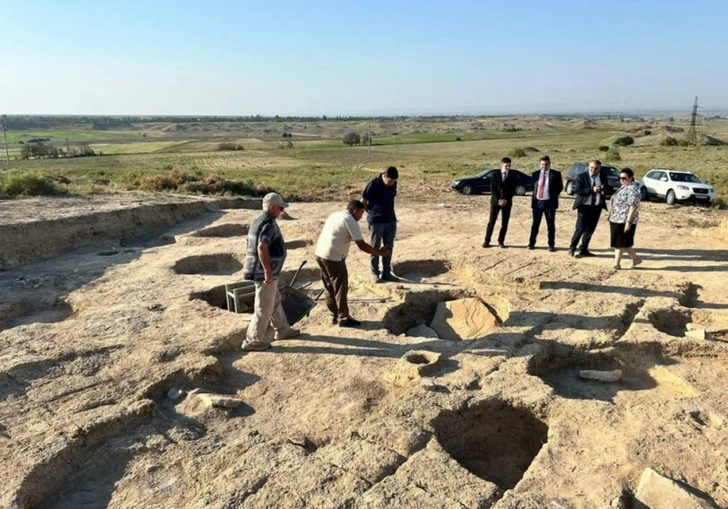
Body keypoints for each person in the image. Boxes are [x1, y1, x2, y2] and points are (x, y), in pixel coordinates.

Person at [315, 200, 391, 327]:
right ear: (355, 210)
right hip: (333, 257)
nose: (361, 216)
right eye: (361, 212)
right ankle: (343, 318)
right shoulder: (350, 221)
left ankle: (333, 315)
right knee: (340, 288)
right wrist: (380, 253)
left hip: (319, 254)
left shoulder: (335, 215)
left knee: (329, 286)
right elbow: (361, 245)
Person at [241, 192, 300, 351]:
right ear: (272, 207)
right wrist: (267, 271)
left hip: (260, 270)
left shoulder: (257, 219)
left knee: (274, 300)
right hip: (264, 273)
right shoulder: (268, 223)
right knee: (263, 307)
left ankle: (283, 330)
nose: (282, 211)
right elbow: (262, 246)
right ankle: (252, 341)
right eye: (280, 208)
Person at [568, 159, 612, 257]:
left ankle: (584, 248)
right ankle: (572, 247)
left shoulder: (603, 176)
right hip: (584, 207)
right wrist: (592, 190)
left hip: (596, 207)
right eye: (591, 167)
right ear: (589, 167)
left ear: (600, 168)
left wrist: (604, 190)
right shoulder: (581, 176)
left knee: (590, 229)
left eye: (596, 168)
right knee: (580, 228)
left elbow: (607, 188)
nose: (593, 170)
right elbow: (578, 191)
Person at [362, 166, 398, 283]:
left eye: (393, 181)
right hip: (376, 222)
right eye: (390, 181)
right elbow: (364, 201)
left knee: (388, 247)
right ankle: (375, 273)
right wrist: (372, 213)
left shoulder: (393, 184)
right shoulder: (373, 183)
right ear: (384, 176)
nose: (391, 183)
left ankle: (387, 273)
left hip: (390, 220)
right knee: (375, 248)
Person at [608, 168, 643, 270]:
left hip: (624, 219)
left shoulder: (633, 188)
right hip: (616, 218)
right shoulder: (624, 187)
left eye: (624, 178)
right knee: (623, 242)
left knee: (619, 243)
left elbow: (633, 206)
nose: (622, 180)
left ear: (631, 177)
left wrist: (628, 222)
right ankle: (636, 259)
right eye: (620, 178)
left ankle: (616, 264)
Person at [529, 155, 563, 251]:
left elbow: (559, 187)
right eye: (542, 164)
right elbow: (533, 186)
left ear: (549, 164)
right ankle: (531, 243)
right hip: (537, 203)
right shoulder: (535, 174)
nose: (544, 166)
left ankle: (551, 245)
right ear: (540, 164)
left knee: (551, 224)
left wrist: (552, 196)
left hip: (549, 203)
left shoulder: (555, 174)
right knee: (535, 224)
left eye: (546, 164)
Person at [483, 157, 517, 248]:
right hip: (495, 202)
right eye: (506, 166)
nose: (508, 168)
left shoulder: (512, 175)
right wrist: (499, 200)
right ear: (501, 165)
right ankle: (487, 241)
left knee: (504, 223)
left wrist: (505, 199)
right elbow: (493, 189)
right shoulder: (495, 175)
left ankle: (501, 241)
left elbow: (513, 190)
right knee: (491, 222)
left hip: (507, 203)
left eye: (509, 166)